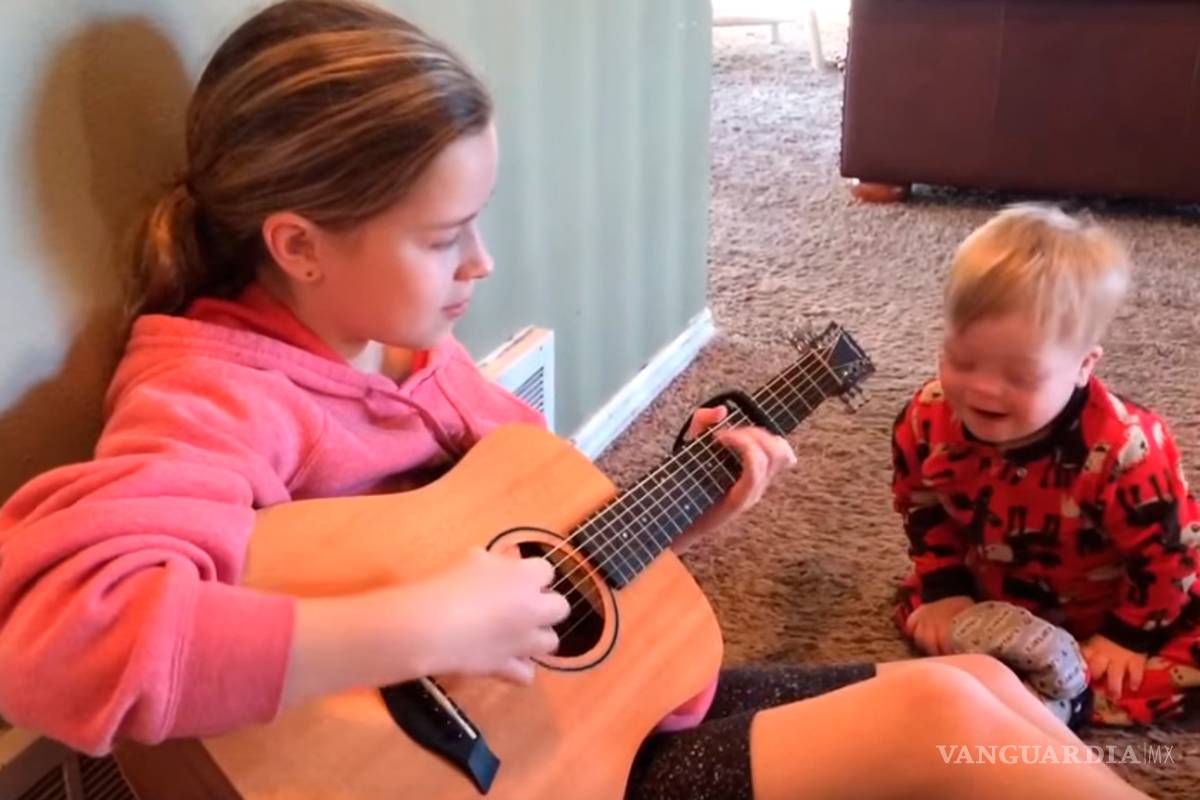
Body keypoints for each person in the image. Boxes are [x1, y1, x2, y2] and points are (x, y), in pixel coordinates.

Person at [0, 4, 1149, 798]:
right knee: (941, 729)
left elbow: (557, 559)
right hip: (527, 773)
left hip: (594, 729)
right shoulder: (210, 387)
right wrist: (430, 622)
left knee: (992, 685)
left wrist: (691, 512)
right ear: (297, 243)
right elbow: (61, 635)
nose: (482, 265)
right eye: (445, 237)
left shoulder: (412, 357)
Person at [893, 204, 1200, 728]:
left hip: (1117, 605)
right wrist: (948, 589)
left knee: (1171, 664)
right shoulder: (926, 418)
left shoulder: (1128, 451)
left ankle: (1063, 696)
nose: (982, 388)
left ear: (1084, 366)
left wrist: (1127, 637)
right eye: (961, 361)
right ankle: (1020, 679)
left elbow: (1170, 555)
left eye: (1021, 375)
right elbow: (923, 508)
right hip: (1000, 591)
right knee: (923, 613)